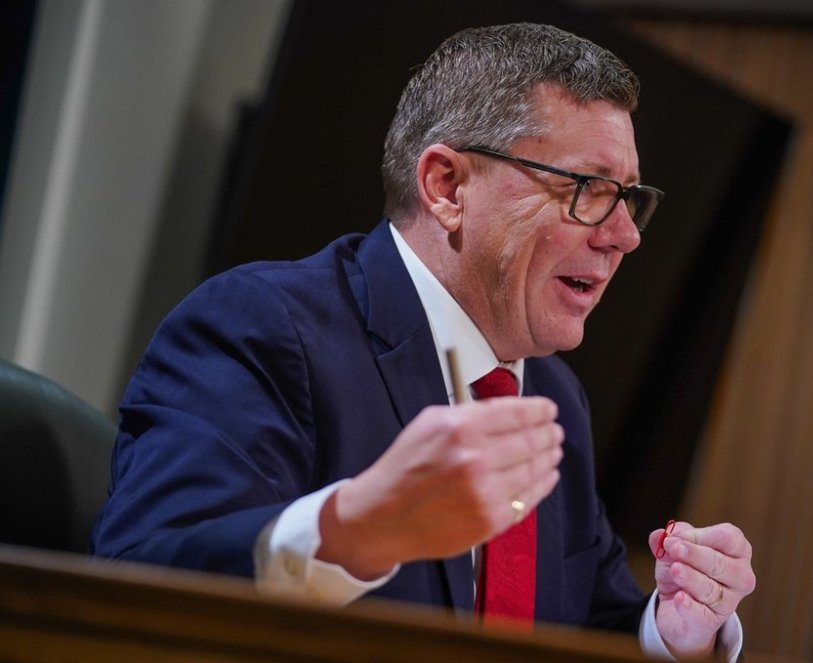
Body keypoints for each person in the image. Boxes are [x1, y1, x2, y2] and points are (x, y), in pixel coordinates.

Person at [92, 23, 755, 660]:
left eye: (630, 197)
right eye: (587, 189)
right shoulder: (262, 325)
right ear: (447, 187)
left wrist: (673, 630)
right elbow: (139, 581)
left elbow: (580, 623)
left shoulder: (554, 396)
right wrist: (349, 530)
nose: (625, 235)